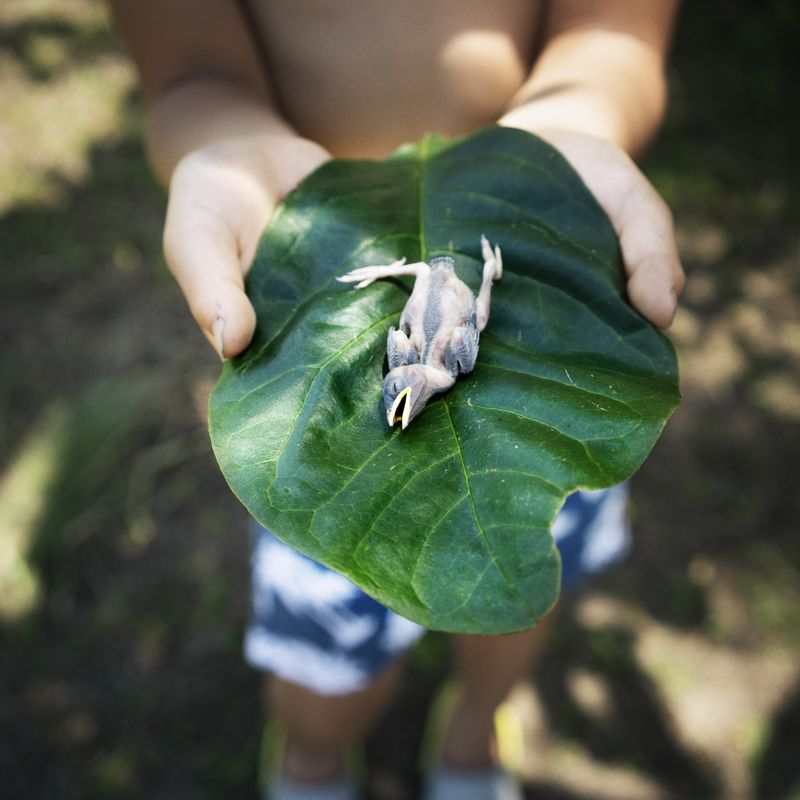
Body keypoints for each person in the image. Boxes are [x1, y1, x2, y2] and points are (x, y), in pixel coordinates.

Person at [110, 2, 684, 798]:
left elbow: (613, 36)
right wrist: (224, 143)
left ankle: (475, 733)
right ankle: (313, 753)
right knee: (326, 666)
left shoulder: (452, 347)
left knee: (519, 579)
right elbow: (189, 75)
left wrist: (570, 130)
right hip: (326, 260)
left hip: (533, 343)